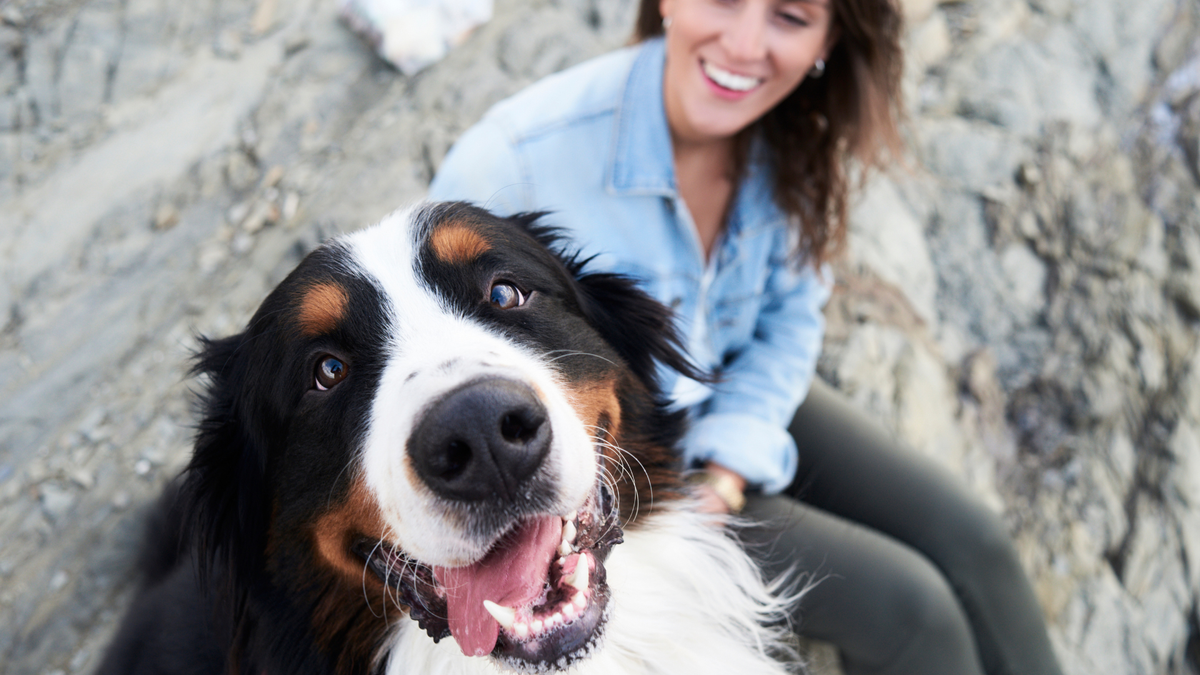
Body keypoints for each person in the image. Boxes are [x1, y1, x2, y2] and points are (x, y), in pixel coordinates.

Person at [428, 0, 1065, 673]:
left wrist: (733, 463)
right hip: (616, 460)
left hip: (728, 385)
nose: (744, 43)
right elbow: (442, 359)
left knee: (977, 540)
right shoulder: (513, 162)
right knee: (915, 612)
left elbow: (790, 317)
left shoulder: (796, 136)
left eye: (791, 16)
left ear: (828, 40)